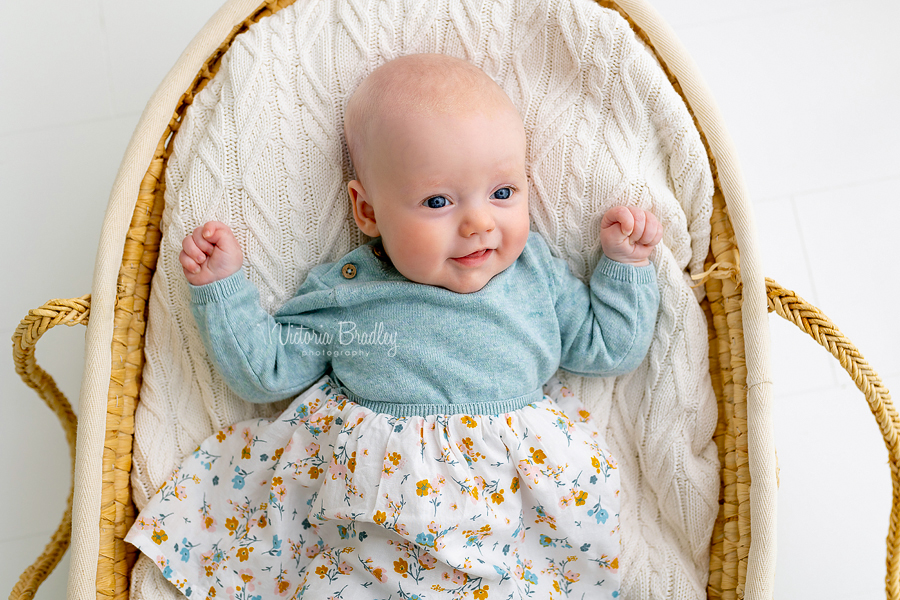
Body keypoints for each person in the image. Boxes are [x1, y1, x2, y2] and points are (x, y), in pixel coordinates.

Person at [126, 53, 662, 600]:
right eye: (438, 201)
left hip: (513, 527)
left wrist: (624, 267)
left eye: (503, 193)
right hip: (377, 528)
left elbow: (607, 349)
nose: (479, 222)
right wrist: (224, 290)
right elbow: (266, 373)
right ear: (368, 212)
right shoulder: (351, 293)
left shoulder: (535, 279)